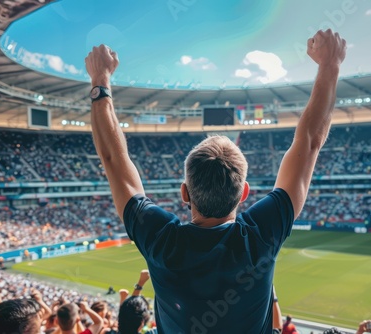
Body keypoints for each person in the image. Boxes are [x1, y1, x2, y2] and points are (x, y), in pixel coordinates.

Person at [86, 28, 346, 333]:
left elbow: (114, 159)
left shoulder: (162, 240)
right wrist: (330, 66)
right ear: (243, 192)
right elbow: (310, 141)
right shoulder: (260, 235)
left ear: (185, 193)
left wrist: (100, 81)